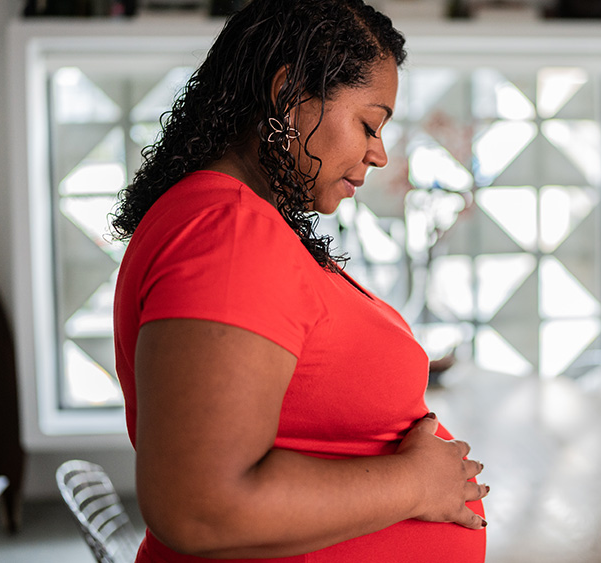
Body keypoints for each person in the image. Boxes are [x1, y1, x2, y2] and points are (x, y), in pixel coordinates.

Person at [110, 1, 489, 561]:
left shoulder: (228, 221)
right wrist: (417, 484)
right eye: (369, 123)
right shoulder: (231, 233)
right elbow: (199, 506)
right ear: (289, 96)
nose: (379, 153)